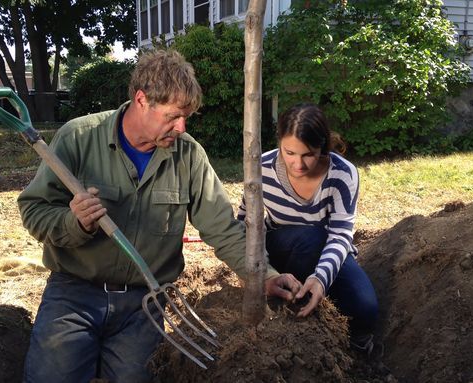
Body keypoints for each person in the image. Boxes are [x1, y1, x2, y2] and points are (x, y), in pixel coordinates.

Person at [17, 49, 302, 383]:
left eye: (186, 117)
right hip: (74, 293)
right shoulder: (79, 138)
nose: (181, 127)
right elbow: (34, 210)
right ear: (142, 100)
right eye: (172, 116)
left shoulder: (188, 156)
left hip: (144, 304)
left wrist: (264, 275)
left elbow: (223, 227)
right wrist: (74, 222)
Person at [237, 103, 380, 356]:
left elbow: (340, 236)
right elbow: (244, 223)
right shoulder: (261, 169)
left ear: (322, 147)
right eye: (289, 153)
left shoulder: (343, 174)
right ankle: (293, 310)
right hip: (280, 248)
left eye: (308, 154)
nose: (298, 164)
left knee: (366, 307)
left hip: (324, 251)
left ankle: (354, 347)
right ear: (279, 142)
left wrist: (321, 280)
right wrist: (257, 274)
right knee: (309, 236)